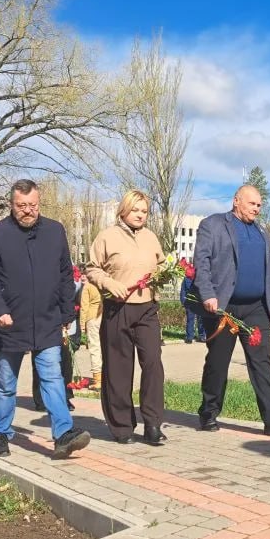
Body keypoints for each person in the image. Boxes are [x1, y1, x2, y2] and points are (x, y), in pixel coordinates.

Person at [0, 178, 90, 459]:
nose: (28, 210)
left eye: (33, 205)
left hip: (48, 319)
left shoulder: (54, 231)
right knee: (5, 382)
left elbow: (65, 275)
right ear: (11, 205)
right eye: (21, 205)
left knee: (52, 377)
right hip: (10, 321)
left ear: (39, 203)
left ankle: (63, 434)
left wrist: (66, 312)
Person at [192, 185, 270, 436]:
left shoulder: (262, 232)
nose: (257, 209)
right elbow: (202, 261)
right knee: (218, 363)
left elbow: (268, 273)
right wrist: (207, 293)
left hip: (255, 310)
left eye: (259, 205)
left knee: (262, 363)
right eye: (252, 204)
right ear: (236, 201)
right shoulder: (214, 225)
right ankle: (208, 412)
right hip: (224, 309)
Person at [86, 190, 167, 446]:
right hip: (117, 308)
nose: (140, 215)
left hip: (147, 309)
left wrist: (163, 274)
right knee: (119, 370)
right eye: (136, 210)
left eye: (144, 211)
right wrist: (108, 282)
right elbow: (91, 268)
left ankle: (153, 423)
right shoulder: (107, 237)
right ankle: (122, 426)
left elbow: (162, 263)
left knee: (153, 364)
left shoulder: (151, 237)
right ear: (124, 210)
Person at [79, 275, 103, 390]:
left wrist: (82, 325)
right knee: (105, 348)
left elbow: (84, 307)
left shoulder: (87, 287)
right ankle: (107, 377)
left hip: (92, 319)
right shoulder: (103, 284)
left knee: (95, 349)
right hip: (104, 318)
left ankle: (98, 380)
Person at [180, 258, 206, 344]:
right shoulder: (187, 279)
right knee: (192, 320)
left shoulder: (199, 278)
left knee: (199, 320)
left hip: (197, 302)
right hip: (191, 302)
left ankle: (199, 336)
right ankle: (191, 337)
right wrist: (183, 302)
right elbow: (183, 291)